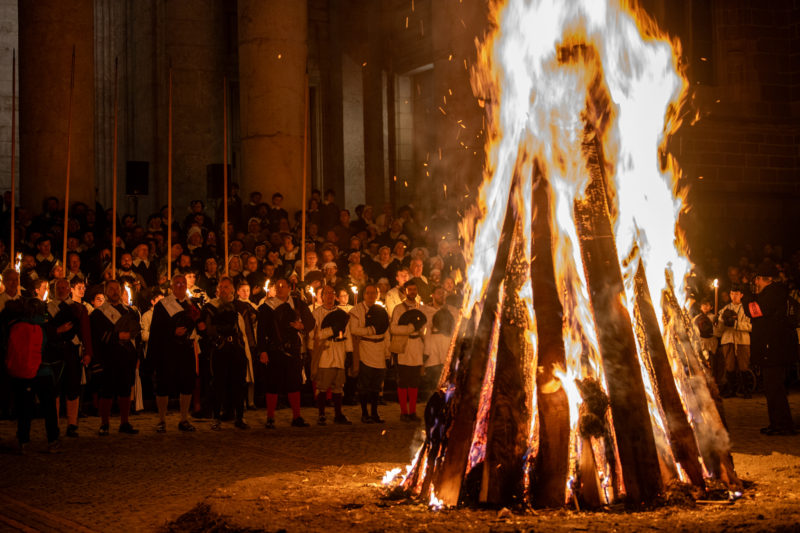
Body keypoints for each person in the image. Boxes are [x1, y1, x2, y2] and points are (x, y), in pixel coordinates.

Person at [744, 261, 798, 436]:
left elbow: (754, 311)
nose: (755, 283)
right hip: (773, 348)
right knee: (772, 388)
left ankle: (783, 425)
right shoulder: (774, 292)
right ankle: (777, 423)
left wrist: (745, 298)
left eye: (757, 279)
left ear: (764, 279)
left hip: (774, 349)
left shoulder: (773, 293)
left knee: (774, 388)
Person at [257, 278, 315, 428]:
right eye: (278, 286)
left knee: (294, 383)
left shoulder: (298, 304)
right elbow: (261, 330)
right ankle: (270, 417)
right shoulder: (267, 307)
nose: (280, 288)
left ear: (289, 288)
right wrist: (263, 351)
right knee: (272, 384)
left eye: (283, 286)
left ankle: (297, 417)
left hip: (293, 350)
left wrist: (302, 325)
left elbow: (311, 321)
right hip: (274, 350)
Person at [7, 298, 61, 453]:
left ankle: (23, 441)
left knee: (24, 408)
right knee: (49, 408)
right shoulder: (44, 327)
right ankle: (53, 440)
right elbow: (52, 347)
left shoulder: (15, 325)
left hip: (22, 373)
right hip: (43, 371)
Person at [149, 274, 200, 433]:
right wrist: (172, 331)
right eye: (177, 283)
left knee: (187, 383)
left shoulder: (192, 305)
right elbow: (156, 329)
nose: (180, 285)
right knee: (163, 384)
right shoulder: (163, 305)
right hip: (168, 350)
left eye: (183, 283)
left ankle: (184, 419)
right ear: (171, 287)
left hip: (186, 349)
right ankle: (161, 420)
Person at [89, 280, 141, 435]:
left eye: (117, 289)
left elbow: (136, 335)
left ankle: (125, 422)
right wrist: (117, 336)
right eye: (111, 289)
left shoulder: (130, 312)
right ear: (106, 292)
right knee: (106, 391)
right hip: (108, 357)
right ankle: (104, 424)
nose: (114, 292)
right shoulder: (98, 314)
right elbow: (97, 336)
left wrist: (136, 355)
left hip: (126, 356)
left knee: (125, 390)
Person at [202, 277, 253, 430]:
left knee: (238, 384)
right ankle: (216, 418)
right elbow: (206, 329)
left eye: (226, 287)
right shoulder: (211, 307)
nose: (223, 290)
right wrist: (217, 335)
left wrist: (251, 348)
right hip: (220, 349)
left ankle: (239, 417)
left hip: (237, 349)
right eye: (221, 287)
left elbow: (247, 330)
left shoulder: (241, 307)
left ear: (232, 289)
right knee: (219, 384)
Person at [47, 278, 93, 437]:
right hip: (54, 352)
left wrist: (88, 353)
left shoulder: (79, 308)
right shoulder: (48, 307)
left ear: (69, 290)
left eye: (64, 287)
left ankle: (72, 424)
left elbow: (86, 332)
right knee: (55, 389)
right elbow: (44, 330)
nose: (61, 290)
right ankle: (54, 424)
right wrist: (57, 331)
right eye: (58, 288)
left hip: (72, 350)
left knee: (73, 387)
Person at [310, 285, 353, 425]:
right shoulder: (316, 313)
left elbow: (347, 333)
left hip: (339, 351)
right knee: (323, 385)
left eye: (332, 293)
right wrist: (330, 331)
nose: (329, 296)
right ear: (322, 296)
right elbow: (313, 335)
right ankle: (321, 414)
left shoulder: (341, 314)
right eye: (326, 293)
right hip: (325, 352)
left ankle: (338, 414)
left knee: (338, 386)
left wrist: (349, 352)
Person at [348, 284, 390, 423]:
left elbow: (385, 331)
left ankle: (374, 413)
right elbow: (354, 329)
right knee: (364, 384)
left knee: (376, 384)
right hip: (365, 349)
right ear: (364, 295)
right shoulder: (356, 311)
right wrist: (371, 330)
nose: (371, 296)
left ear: (377, 295)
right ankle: (364, 413)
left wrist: (387, 351)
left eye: (373, 293)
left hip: (379, 350)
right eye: (368, 293)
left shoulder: (381, 311)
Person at [390, 279, 426, 421]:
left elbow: (424, 327)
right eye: (410, 289)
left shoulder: (420, 308)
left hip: (417, 347)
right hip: (404, 347)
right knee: (403, 381)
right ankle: (403, 412)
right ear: (405, 291)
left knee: (414, 381)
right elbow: (393, 328)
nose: (412, 292)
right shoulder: (399, 309)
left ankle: (412, 412)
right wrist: (409, 328)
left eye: (414, 289)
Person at [715, 283, 752, 398]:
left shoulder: (747, 309)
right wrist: (719, 322)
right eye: (732, 294)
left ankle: (745, 390)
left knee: (743, 366)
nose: (733, 296)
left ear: (741, 295)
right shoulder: (724, 309)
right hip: (728, 339)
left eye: (736, 294)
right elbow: (719, 331)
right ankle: (731, 390)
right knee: (729, 366)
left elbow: (751, 326)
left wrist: (736, 324)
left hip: (742, 340)